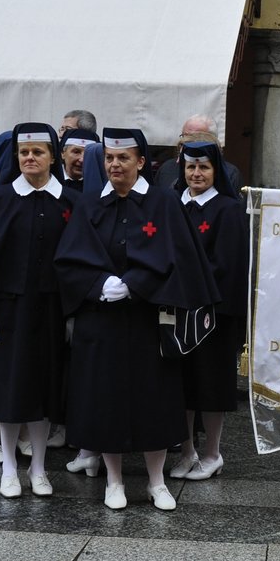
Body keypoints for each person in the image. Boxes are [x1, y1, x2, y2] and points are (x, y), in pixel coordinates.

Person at [56, 128, 217, 510]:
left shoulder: (163, 203)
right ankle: (113, 481)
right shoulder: (91, 204)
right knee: (104, 400)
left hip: (149, 320)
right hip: (102, 320)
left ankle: (156, 481)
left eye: (123, 158)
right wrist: (99, 282)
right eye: (109, 158)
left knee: (154, 400)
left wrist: (135, 284)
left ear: (141, 162)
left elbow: (179, 258)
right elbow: (69, 259)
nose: (115, 165)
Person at [0, 124, 75, 498]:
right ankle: (9, 467)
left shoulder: (70, 202)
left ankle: (39, 467)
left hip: (52, 312)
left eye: (37, 152)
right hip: (6, 312)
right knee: (8, 392)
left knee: (43, 392)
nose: (29, 159)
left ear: (52, 157)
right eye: (23, 153)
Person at [170, 139, 248, 482]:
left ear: (216, 171)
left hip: (214, 315)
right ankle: (187, 450)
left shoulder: (228, 209)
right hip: (177, 310)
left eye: (203, 167)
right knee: (182, 384)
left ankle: (212, 452)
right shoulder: (174, 204)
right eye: (190, 167)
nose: (196, 173)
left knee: (211, 385)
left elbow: (227, 266)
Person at [156, 115, 242, 193]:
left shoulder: (230, 173)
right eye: (184, 136)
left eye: (194, 138)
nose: (186, 143)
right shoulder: (166, 168)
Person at [60, 126, 98, 195]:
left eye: (88, 153)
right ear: (63, 153)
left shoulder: (99, 187)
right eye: (76, 152)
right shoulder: (49, 181)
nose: (82, 160)